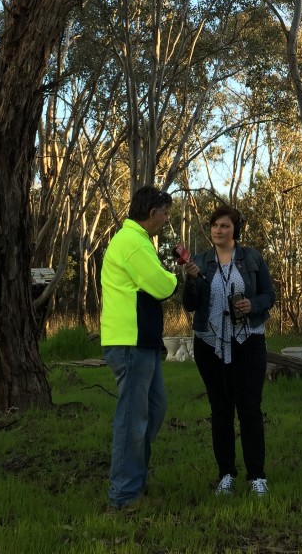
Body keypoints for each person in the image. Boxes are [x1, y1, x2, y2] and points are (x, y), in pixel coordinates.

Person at [182, 204, 276, 496]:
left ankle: (256, 476)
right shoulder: (199, 261)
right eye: (214, 226)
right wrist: (192, 280)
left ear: (235, 230)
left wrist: (253, 305)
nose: (218, 230)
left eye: (224, 226)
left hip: (248, 341)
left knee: (250, 408)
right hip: (210, 343)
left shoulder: (251, 258)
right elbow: (190, 304)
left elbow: (269, 294)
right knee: (220, 411)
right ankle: (226, 475)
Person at [100, 185, 178, 512]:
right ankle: (124, 496)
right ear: (152, 213)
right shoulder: (132, 242)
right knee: (133, 419)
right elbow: (160, 285)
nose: (166, 220)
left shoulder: (138, 240)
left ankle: (135, 480)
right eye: (165, 214)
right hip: (129, 342)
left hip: (141, 341)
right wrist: (174, 276)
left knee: (154, 410)